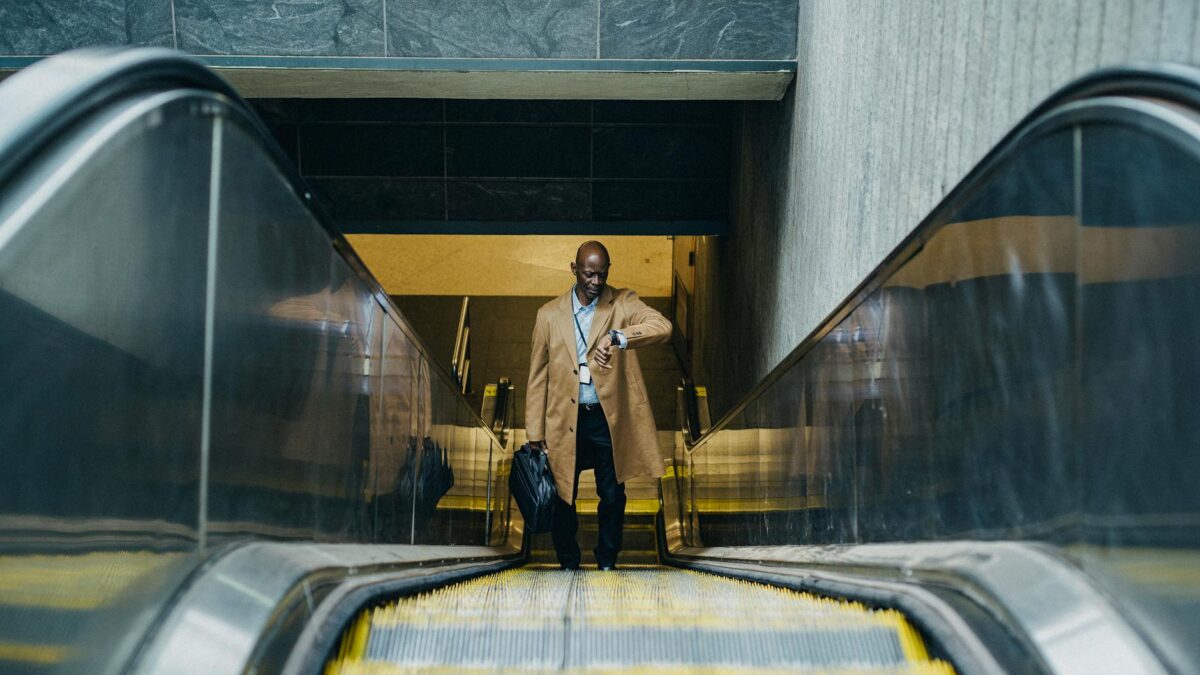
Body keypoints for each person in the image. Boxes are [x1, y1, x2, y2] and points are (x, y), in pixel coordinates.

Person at [525, 240, 671, 570]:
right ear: (574, 269)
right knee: (563, 494)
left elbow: (662, 327)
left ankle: (607, 558)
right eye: (589, 274)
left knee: (613, 494)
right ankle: (568, 561)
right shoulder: (548, 315)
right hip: (565, 420)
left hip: (607, 418)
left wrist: (618, 337)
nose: (596, 281)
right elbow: (537, 376)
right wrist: (534, 432)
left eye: (602, 274)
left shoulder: (622, 302)